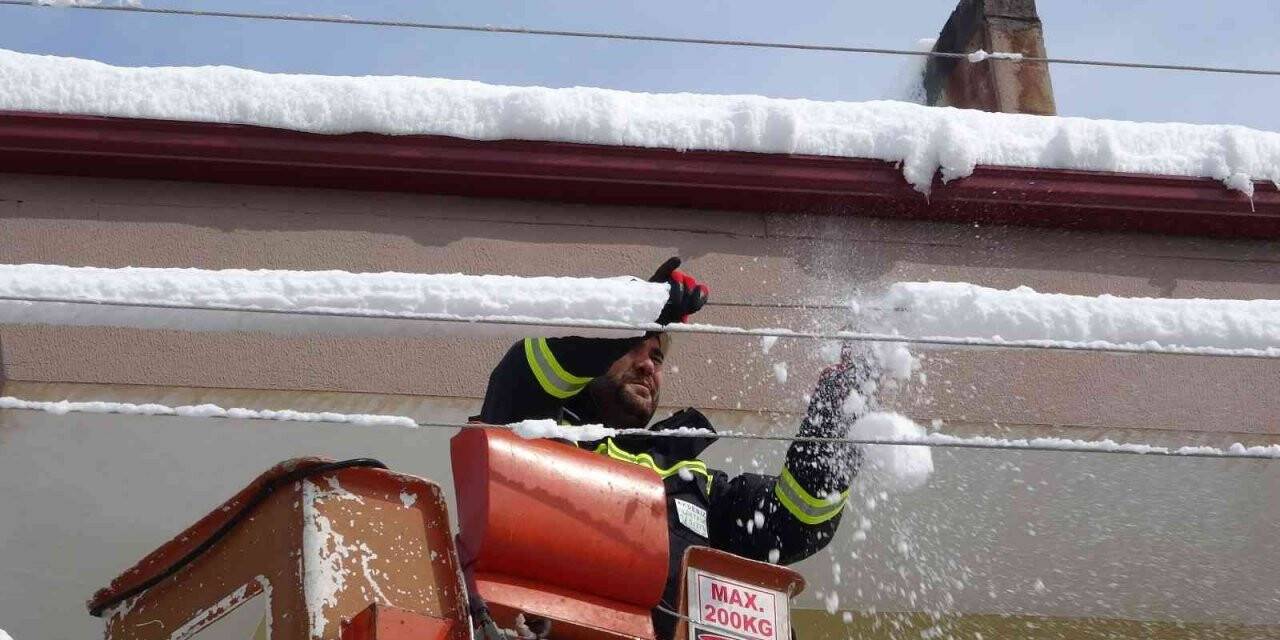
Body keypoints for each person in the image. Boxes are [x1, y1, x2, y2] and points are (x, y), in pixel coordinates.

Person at [477, 258, 869, 640]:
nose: (649, 365)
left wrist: (835, 413)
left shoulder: (695, 483)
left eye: (658, 356)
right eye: (637, 346)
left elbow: (796, 520)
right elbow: (524, 375)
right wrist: (630, 318)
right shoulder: (542, 433)